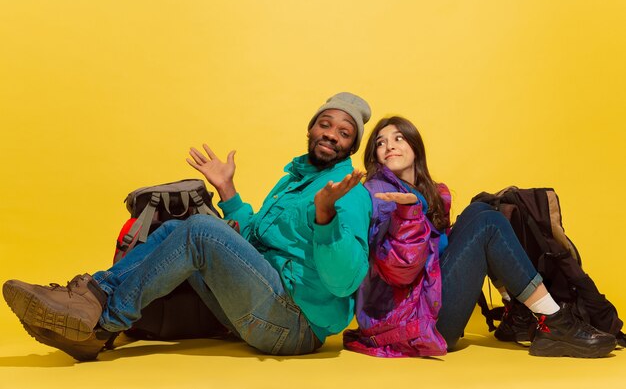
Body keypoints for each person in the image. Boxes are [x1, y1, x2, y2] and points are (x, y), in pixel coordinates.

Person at [3, 92, 373, 361]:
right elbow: (256, 240)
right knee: (178, 226)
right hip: (268, 303)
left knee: (200, 230)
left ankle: (100, 321)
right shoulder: (294, 180)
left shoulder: (348, 193)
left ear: (351, 145)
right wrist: (226, 190)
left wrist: (325, 217)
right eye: (325, 124)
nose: (331, 134)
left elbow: (344, 282)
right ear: (310, 129)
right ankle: (94, 305)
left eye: (343, 132)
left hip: (294, 325)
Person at [343, 115, 617, 358]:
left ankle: (516, 312)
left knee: (482, 209)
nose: (389, 145)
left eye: (398, 138)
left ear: (415, 147)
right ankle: (555, 321)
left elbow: (443, 257)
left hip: (429, 305)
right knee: (486, 223)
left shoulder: (430, 194)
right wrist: (406, 214)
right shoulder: (379, 194)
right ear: (375, 155)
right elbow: (399, 272)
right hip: (412, 324)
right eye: (380, 142)